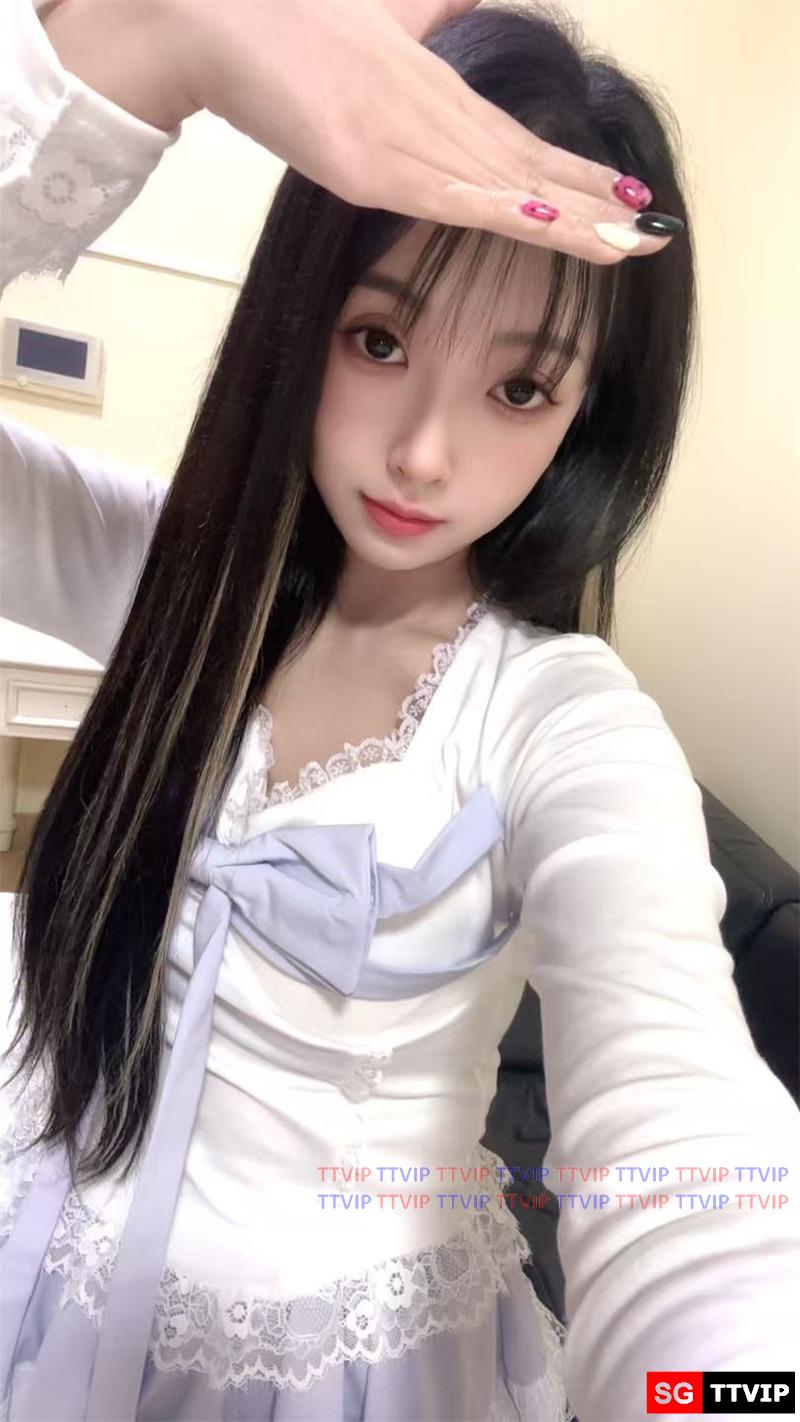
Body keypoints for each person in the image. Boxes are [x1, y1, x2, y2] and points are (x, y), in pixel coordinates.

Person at [0, 0, 798, 1420]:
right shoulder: (175, 578)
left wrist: (724, 1393)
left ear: (589, 415)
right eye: (378, 339)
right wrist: (154, 38)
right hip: (56, 1243)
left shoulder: (561, 719)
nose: (426, 452)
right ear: (301, 319)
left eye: (521, 385)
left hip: (361, 1374)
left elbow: (685, 1146)